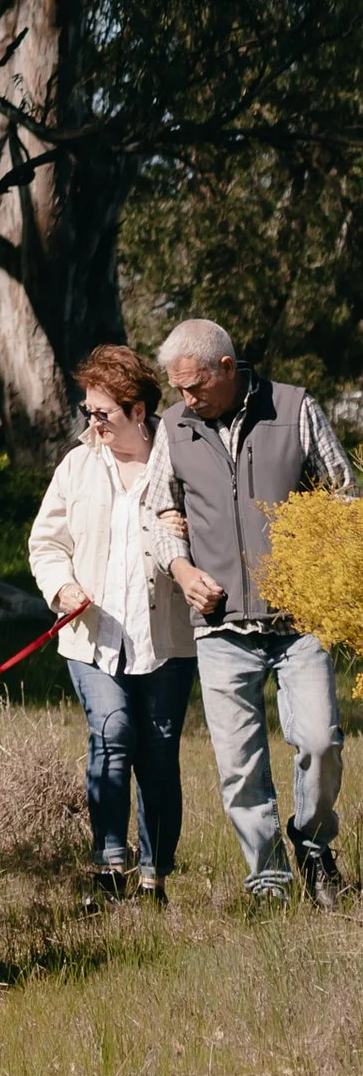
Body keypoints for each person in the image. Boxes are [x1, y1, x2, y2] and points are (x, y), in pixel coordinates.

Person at [149, 316, 353, 909]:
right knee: (239, 764)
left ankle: (313, 842)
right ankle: (266, 874)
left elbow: (342, 494)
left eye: (195, 387)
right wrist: (184, 572)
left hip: (299, 620)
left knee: (320, 742)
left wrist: (316, 562)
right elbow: (161, 512)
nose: (186, 399)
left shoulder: (293, 409)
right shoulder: (173, 426)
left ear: (227, 369)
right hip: (219, 629)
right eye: (178, 388)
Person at [26, 341, 196, 903]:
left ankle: (155, 875)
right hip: (91, 639)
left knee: (158, 753)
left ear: (139, 412)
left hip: (165, 642)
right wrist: (63, 587)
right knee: (113, 729)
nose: (93, 422)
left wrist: (188, 529)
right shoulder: (77, 466)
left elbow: (212, 531)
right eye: (88, 411)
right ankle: (108, 862)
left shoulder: (176, 469)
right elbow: (46, 543)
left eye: (104, 413)